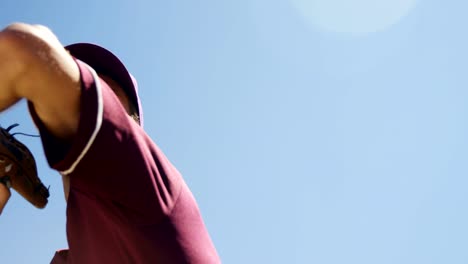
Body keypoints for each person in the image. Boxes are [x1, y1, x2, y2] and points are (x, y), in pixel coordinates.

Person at [0, 23, 220, 263]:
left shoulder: (149, 188)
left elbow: (26, 51)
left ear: (132, 126)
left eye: (107, 95)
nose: (72, 90)